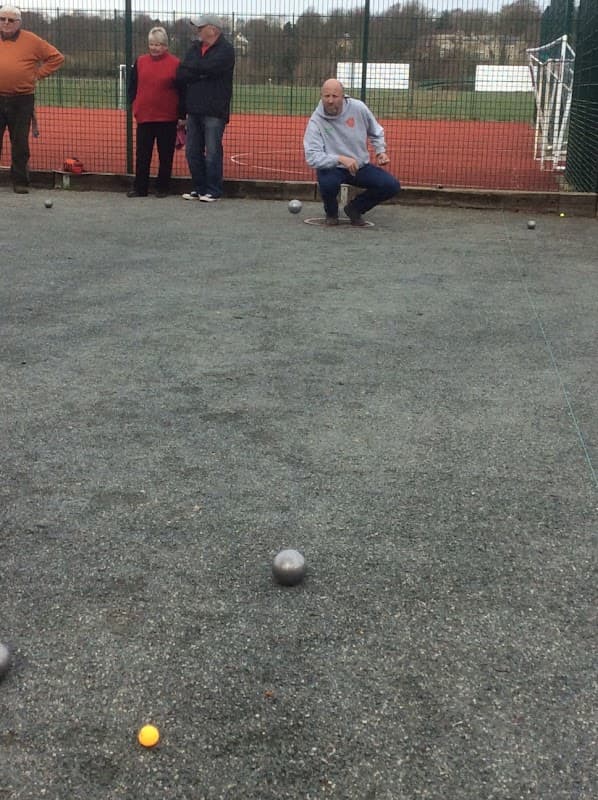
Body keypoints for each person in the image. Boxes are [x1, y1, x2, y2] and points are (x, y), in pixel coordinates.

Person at [303, 78, 400, 226]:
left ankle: (355, 208)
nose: (330, 101)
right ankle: (331, 213)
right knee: (328, 183)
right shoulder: (316, 121)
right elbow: (312, 156)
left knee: (391, 185)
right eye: (326, 96)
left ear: (343, 96)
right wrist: (339, 159)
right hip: (333, 167)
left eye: (334, 96)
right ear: (321, 96)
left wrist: (380, 151)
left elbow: (376, 130)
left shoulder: (358, 108)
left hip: (359, 166)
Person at [0, 5, 64, 193]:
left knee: (20, 142)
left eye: (11, 20)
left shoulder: (32, 40)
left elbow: (56, 58)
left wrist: (37, 74)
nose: (6, 23)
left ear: (19, 22)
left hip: (22, 99)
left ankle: (20, 181)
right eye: (2, 18)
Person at [176, 14, 235, 203]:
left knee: (212, 151)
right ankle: (199, 187)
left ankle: (214, 190)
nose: (198, 31)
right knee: (192, 151)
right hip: (193, 108)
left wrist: (196, 70)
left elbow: (211, 68)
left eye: (201, 27)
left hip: (214, 110)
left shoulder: (226, 50)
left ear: (213, 29)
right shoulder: (194, 48)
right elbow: (182, 72)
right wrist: (199, 72)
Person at [127, 26, 182, 198]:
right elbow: (132, 85)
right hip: (145, 116)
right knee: (142, 155)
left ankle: (162, 187)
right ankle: (140, 188)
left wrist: (181, 115)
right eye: (151, 44)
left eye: (158, 44)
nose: (154, 48)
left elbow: (182, 91)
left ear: (166, 45)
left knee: (165, 155)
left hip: (167, 117)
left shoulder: (176, 64)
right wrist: (134, 104)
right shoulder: (140, 61)